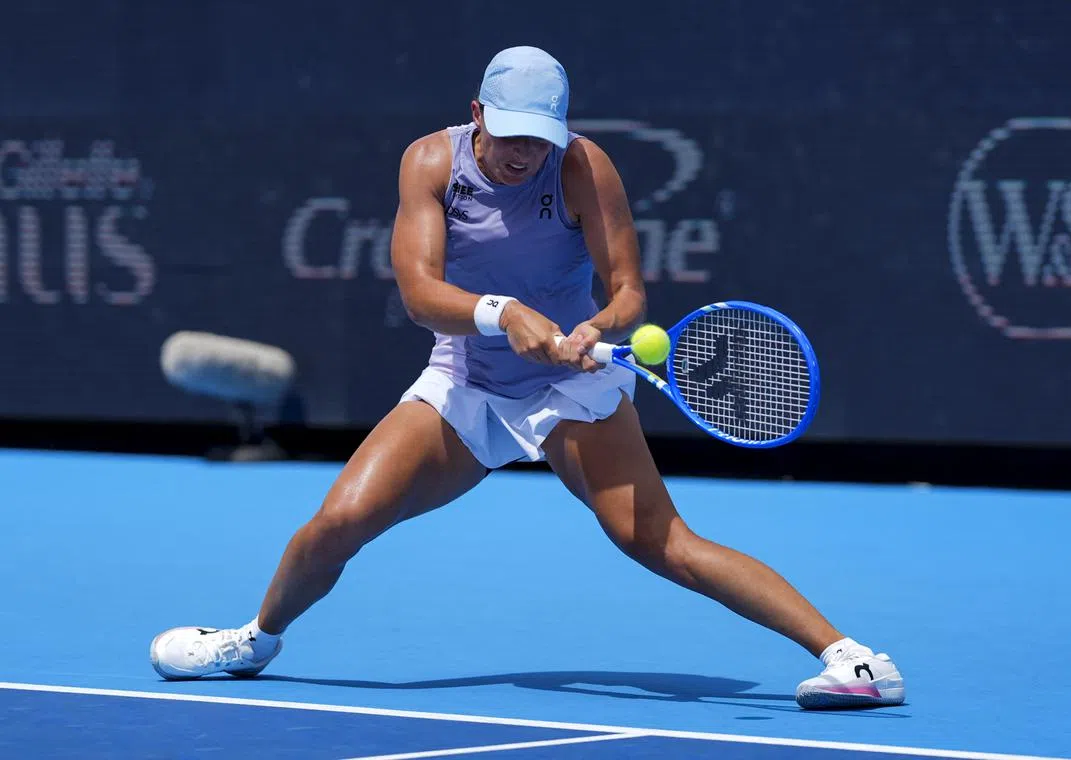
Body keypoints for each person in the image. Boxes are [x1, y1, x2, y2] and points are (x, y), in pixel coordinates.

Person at [150, 46, 905, 710]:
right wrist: (504, 312)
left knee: (659, 543)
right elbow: (420, 296)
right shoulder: (430, 163)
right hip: (467, 381)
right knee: (340, 522)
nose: (523, 154)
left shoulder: (582, 166)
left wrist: (593, 329)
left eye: (539, 140)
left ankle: (853, 659)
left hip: (569, 390)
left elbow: (629, 294)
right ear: (477, 112)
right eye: (509, 136)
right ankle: (254, 640)